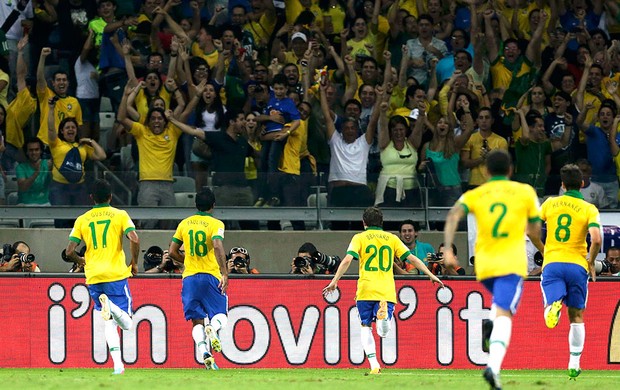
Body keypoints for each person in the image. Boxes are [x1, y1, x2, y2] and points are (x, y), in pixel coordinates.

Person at [442, 149, 542, 390]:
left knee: (499, 304)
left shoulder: (476, 193)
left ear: (485, 171)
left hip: (484, 265)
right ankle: (493, 368)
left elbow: (454, 215)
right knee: (504, 315)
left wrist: (447, 248)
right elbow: (535, 230)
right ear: (510, 170)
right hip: (511, 263)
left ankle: (490, 320)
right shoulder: (525, 192)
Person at [323, 206, 444, 375]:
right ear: (382, 222)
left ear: (364, 222)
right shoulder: (391, 238)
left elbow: (347, 260)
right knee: (383, 332)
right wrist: (431, 274)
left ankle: (374, 365)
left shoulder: (359, 237)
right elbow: (412, 258)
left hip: (365, 289)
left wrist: (335, 280)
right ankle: (383, 318)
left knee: (365, 326)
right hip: (385, 290)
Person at [529, 163, 602, 380]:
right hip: (577, 265)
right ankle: (574, 362)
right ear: (581, 184)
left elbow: (530, 230)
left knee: (551, 304)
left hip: (553, 264)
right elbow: (597, 239)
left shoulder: (550, 203)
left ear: (562, 185)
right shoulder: (589, 208)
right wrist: (591, 260)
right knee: (577, 315)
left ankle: (552, 306)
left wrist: (545, 250)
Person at [64, 179, 140, 375]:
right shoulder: (120, 214)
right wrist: (134, 262)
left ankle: (118, 366)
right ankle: (112, 306)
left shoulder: (82, 219)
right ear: (110, 197)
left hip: (94, 275)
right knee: (127, 323)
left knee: (109, 322)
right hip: (115, 274)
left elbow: (69, 251)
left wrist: (82, 262)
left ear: (92, 198)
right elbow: (134, 238)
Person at [169, 188, 229, 370]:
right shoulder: (216, 223)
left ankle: (205, 352)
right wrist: (224, 272)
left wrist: (185, 261)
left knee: (196, 320)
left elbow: (172, 251)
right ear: (213, 205)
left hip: (189, 279)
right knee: (221, 316)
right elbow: (217, 245)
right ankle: (213, 328)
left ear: (196, 205)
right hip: (210, 275)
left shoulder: (184, 224)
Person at [15, 137, 51, 206]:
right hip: (25, 204)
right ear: (27, 152)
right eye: (31, 150)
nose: (34, 152)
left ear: (41, 151)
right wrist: (36, 173)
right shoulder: (21, 167)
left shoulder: (48, 164)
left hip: (44, 204)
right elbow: (22, 187)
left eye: (36, 150)